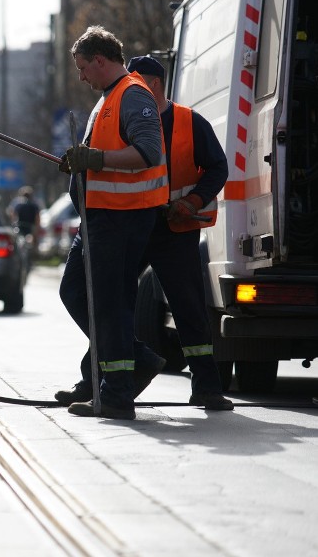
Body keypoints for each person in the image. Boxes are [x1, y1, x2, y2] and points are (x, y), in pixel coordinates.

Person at [55, 56, 234, 412]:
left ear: (151, 84)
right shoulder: (115, 107)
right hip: (127, 222)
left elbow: (217, 167)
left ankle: (207, 387)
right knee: (102, 301)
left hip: (171, 228)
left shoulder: (187, 122)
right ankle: (105, 376)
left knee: (187, 307)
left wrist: (192, 201)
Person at [56, 26, 170, 420]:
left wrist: (95, 160)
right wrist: (80, 164)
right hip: (100, 219)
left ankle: (117, 392)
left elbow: (148, 153)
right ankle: (131, 362)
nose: (81, 76)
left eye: (83, 67)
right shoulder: (108, 98)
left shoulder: (133, 95)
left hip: (121, 220)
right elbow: (100, 156)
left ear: (100, 61)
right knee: (77, 292)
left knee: (110, 305)